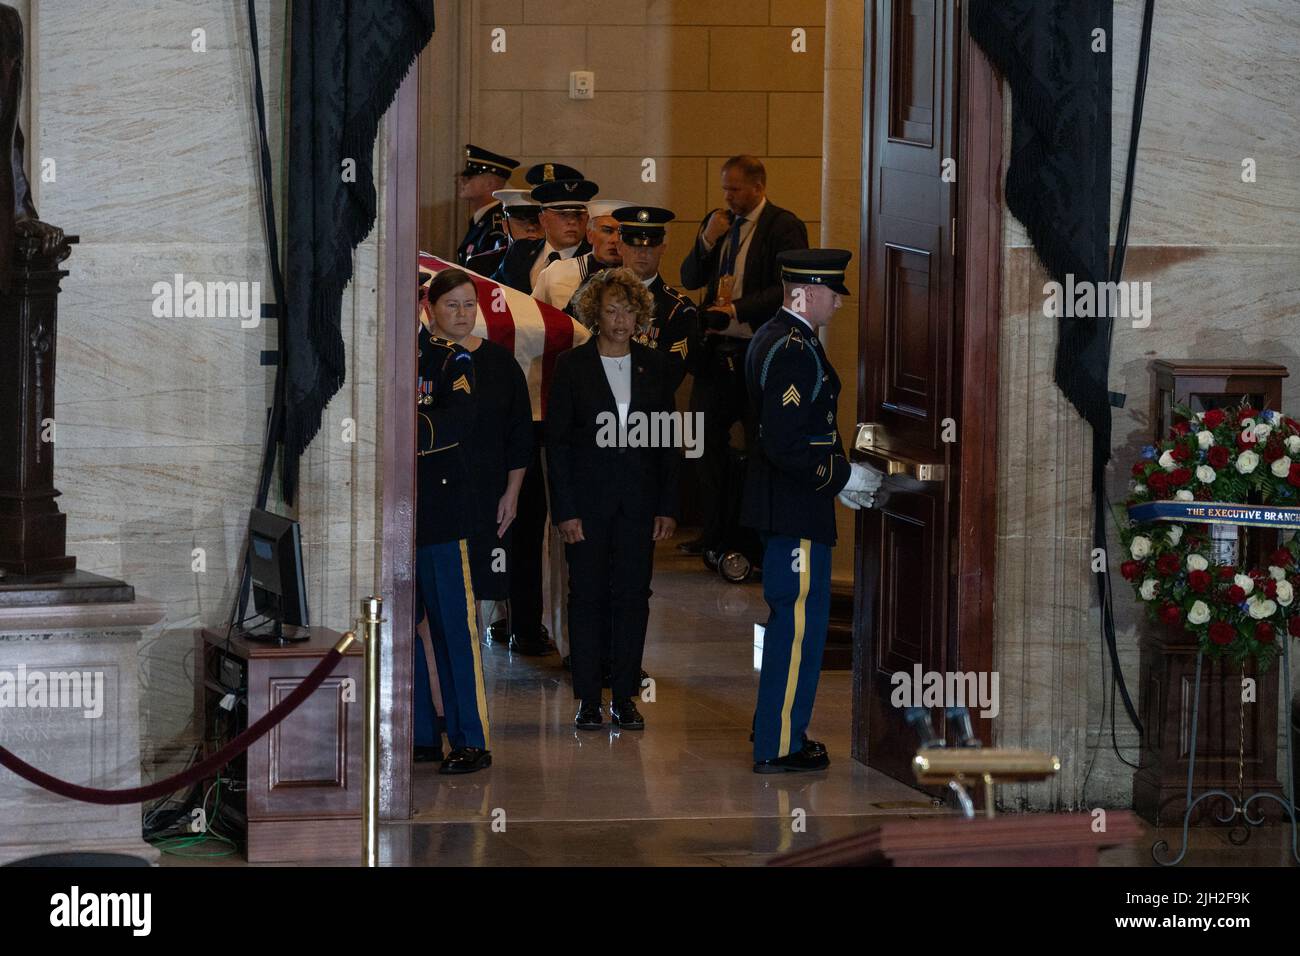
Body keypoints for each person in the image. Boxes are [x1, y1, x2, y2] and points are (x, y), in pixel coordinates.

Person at [742, 249, 882, 773]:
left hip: (794, 504)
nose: (840, 302)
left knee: (792, 625)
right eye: (834, 292)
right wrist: (842, 477)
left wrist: (836, 478)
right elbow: (785, 441)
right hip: (794, 510)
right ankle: (780, 743)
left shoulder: (778, 337)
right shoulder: (793, 348)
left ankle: (777, 726)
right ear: (808, 292)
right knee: (797, 628)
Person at [547, 268, 680, 730]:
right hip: (586, 506)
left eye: (628, 310)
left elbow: (669, 439)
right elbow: (557, 444)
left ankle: (624, 696)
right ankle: (587, 698)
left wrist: (667, 504)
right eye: (610, 310)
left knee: (632, 598)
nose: (620, 319)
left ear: (639, 315)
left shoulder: (656, 365)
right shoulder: (572, 366)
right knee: (585, 598)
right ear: (594, 314)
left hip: (639, 505)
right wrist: (565, 510)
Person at [678, 156, 808, 556]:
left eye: (734, 189)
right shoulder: (717, 222)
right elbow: (689, 278)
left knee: (759, 446)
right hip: (717, 352)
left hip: (758, 352)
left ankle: (753, 537)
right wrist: (705, 240)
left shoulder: (783, 226)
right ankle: (712, 532)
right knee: (702, 441)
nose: (727, 197)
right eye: (724, 189)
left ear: (757, 186)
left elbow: (787, 287)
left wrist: (736, 310)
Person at [413, 269, 504, 775]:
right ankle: (420, 733)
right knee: (398, 629)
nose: (463, 315)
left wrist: (403, 430)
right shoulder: (390, 356)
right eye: (452, 305)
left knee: (452, 627)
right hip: (394, 513)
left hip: (443, 514)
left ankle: (470, 738)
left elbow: (457, 419)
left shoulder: (454, 360)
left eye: (469, 306)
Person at [612, 205, 698, 389]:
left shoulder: (678, 309)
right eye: (634, 244)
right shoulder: (594, 294)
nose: (642, 252)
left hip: (646, 412)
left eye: (651, 245)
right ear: (619, 247)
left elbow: (669, 375)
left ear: (663, 249)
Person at [491, 163, 592, 293]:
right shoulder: (519, 251)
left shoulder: (594, 261)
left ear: (587, 219)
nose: (572, 221)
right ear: (543, 219)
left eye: (578, 215)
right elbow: (491, 292)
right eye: (562, 215)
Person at [533, 199, 631, 310]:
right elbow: (534, 316)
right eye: (607, 231)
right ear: (589, 234)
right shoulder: (557, 272)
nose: (615, 240)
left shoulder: (639, 277)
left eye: (621, 233)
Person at [454, 144, 519, 265]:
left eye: (468, 177)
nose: (461, 182)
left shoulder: (496, 225)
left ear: (490, 184)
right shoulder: (482, 220)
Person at [464, 188, 542, 278]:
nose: (531, 227)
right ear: (505, 226)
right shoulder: (480, 264)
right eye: (521, 220)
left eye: (538, 221)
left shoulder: (557, 261)